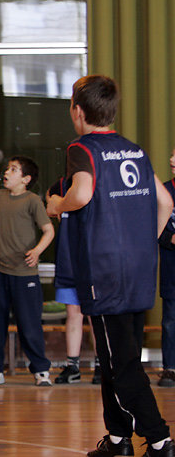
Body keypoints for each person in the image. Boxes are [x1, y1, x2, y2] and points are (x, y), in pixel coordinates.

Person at [46, 75, 173, 457]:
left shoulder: (82, 149)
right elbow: (165, 202)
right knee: (112, 356)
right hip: (138, 271)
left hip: (105, 273)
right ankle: (118, 439)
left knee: (124, 365)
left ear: (77, 111)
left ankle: (160, 439)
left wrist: (57, 205)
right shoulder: (134, 150)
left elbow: (81, 194)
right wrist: (142, 245)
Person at [0, 155, 55, 386]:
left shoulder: (33, 201)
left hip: (24, 273)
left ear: (25, 179)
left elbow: (48, 231)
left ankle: (41, 370)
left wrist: (37, 251)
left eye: (14, 170)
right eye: (8, 168)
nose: (7, 172)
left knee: (29, 323)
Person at [47, 177, 101, 386]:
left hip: (94, 260)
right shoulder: (60, 185)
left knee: (95, 316)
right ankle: (73, 366)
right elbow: (50, 206)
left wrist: (61, 204)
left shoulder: (98, 182)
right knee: (73, 314)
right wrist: (58, 205)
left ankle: (101, 365)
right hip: (69, 258)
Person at [158, 148, 175, 388]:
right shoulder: (163, 191)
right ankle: (170, 368)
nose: (171, 160)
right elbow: (153, 227)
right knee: (171, 320)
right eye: (171, 155)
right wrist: (169, 237)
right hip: (172, 269)